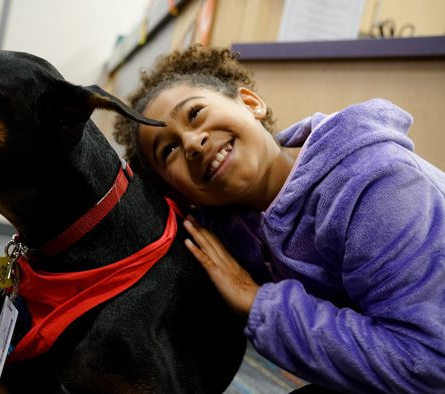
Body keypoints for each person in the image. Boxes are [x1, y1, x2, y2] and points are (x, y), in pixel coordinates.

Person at [113, 45, 445, 393]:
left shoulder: (373, 181)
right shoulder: (227, 229)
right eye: (168, 150)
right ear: (180, 193)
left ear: (251, 103)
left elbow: (428, 363)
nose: (193, 143)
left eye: (195, 113)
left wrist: (258, 302)